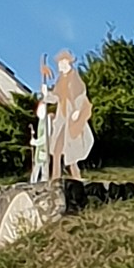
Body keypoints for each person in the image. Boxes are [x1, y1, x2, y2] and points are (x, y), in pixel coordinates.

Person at [44, 50, 94, 180]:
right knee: (56, 150)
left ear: (68, 62)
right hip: (61, 117)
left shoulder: (74, 78)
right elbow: (56, 97)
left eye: (62, 63)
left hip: (71, 118)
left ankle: (76, 177)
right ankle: (55, 178)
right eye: (59, 63)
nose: (60, 66)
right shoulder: (60, 80)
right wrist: (46, 95)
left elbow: (80, 95)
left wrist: (77, 110)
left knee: (70, 151)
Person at [29, 99, 51, 183]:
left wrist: (35, 142)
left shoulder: (46, 120)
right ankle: (33, 183)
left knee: (44, 169)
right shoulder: (40, 121)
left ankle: (43, 183)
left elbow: (46, 137)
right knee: (36, 167)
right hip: (39, 150)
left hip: (44, 148)